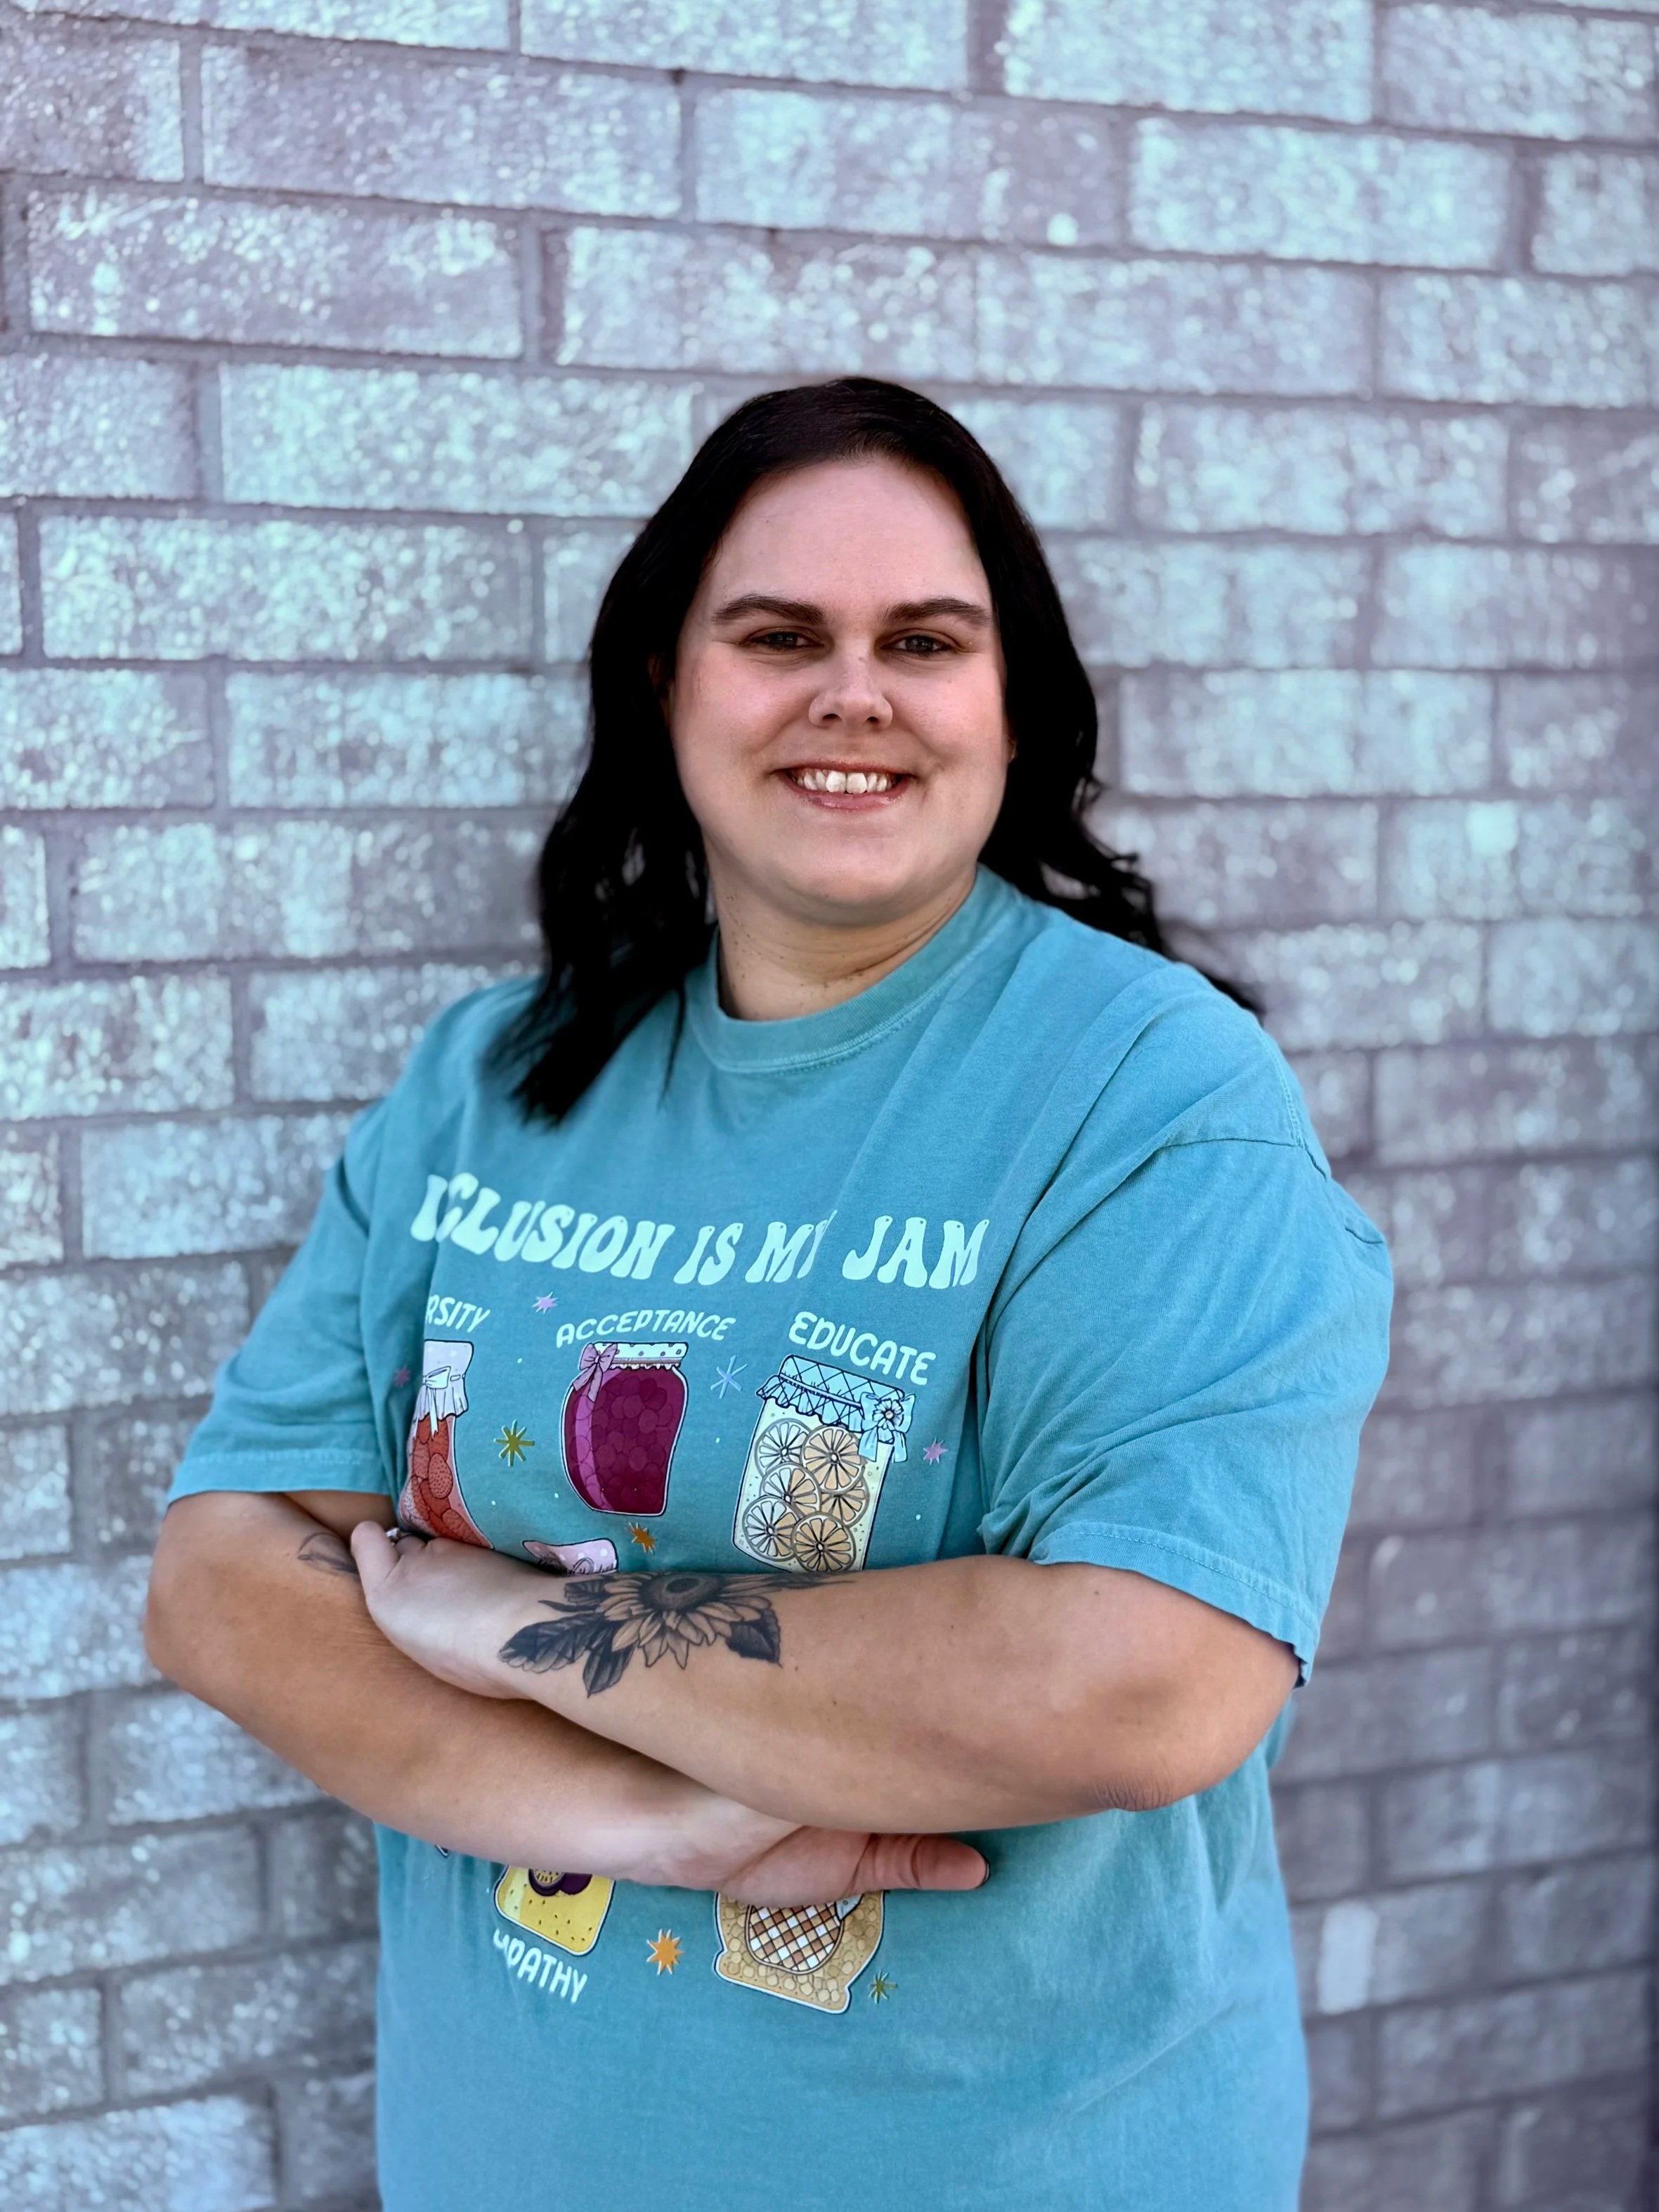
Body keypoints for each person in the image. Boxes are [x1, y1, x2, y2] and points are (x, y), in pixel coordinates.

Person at [146, 377, 1392, 2211]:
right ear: (665, 680)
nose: (852, 692)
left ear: (1011, 704)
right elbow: (222, 1582)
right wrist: (655, 1811)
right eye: (778, 634)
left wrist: (506, 1626)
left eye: (925, 641)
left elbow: (1144, 1677)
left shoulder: (1148, 1096)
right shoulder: (488, 1085)